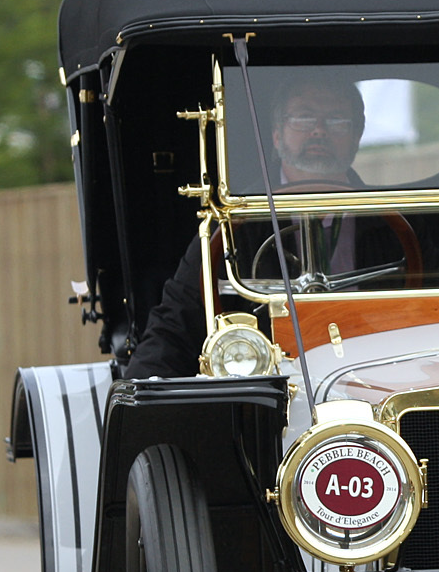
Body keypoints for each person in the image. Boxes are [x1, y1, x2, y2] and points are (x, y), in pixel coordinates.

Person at [123, 72, 396, 378]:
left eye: (336, 120)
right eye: (304, 118)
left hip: (375, 380)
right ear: (277, 135)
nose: (319, 131)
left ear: (357, 136)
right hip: (270, 391)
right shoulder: (232, 224)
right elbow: (176, 325)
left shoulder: (395, 228)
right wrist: (138, 397)